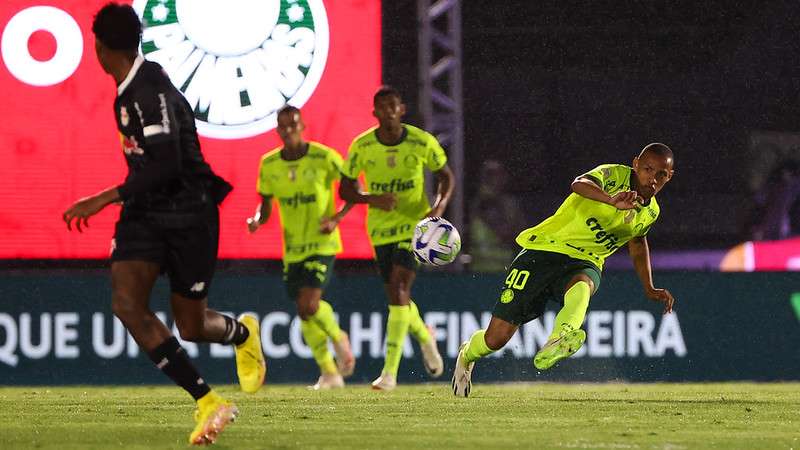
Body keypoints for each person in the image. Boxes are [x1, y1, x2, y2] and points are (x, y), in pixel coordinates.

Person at [62, 3, 265, 445]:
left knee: (191, 326)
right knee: (126, 302)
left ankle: (244, 333)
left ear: (99, 47)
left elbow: (169, 163)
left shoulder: (146, 89)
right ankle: (208, 401)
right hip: (146, 214)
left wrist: (102, 198)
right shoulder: (133, 82)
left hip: (189, 211)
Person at [451, 143, 676, 397]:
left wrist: (649, 286)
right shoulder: (613, 175)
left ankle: (560, 337)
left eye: (661, 175)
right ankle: (468, 352)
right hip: (546, 249)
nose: (652, 179)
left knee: (584, 283)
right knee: (497, 338)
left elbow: (637, 243)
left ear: (669, 176)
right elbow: (578, 184)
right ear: (636, 164)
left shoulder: (651, 212)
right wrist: (610, 200)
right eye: (647, 169)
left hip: (585, 260)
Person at [339, 86, 455, 390]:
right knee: (396, 296)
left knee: (400, 287)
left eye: (394, 106)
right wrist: (371, 198)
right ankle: (423, 334)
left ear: (402, 109)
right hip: (379, 229)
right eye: (382, 107)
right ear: (375, 113)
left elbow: (446, 176)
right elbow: (345, 189)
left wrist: (439, 207)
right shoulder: (362, 146)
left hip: (414, 228)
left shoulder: (420, 141)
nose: (389, 111)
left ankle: (389, 374)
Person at [247, 105, 355, 390]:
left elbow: (352, 190)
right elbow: (266, 205)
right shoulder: (269, 164)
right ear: (278, 130)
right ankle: (329, 373)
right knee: (304, 310)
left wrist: (336, 218)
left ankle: (338, 337)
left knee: (309, 304)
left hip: (322, 243)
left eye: (294, 124)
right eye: (284, 126)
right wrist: (258, 220)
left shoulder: (324, 157)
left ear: (302, 125)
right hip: (292, 248)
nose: (289, 130)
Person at [468, 159, 526, 272]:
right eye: (492, 174)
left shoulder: (508, 202)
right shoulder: (484, 203)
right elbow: (505, 234)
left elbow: (522, 231)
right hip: (483, 270)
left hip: (503, 267)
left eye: (501, 173)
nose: (500, 177)